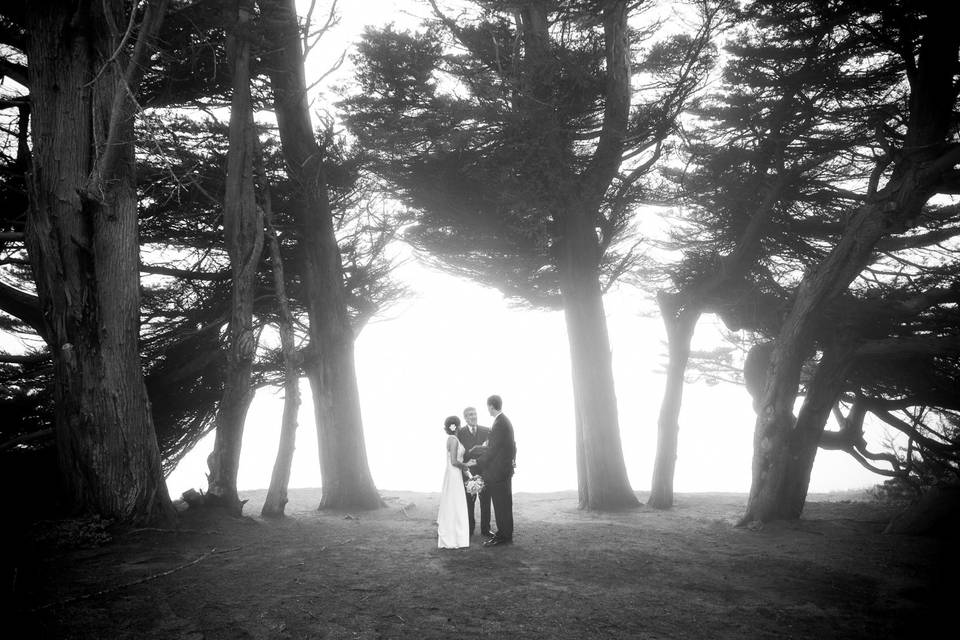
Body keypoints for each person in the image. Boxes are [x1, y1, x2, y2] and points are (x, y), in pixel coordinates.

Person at [474, 394, 516, 546]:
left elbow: (493, 450)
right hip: (504, 471)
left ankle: (503, 536)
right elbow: (509, 446)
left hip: (499, 473)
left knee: (501, 505)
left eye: (488, 407)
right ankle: (505, 533)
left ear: (491, 406)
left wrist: (476, 461)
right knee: (504, 504)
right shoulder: (503, 421)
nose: (488, 410)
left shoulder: (499, 423)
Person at [437, 415, 472, 549]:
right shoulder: (454, 440)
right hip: (454, 475)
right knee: (455, 504)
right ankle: (455, 538)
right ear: (458, 426)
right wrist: (466, 464)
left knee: (454, 503)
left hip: (453, 474)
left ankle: (457, 536)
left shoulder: (451, 439)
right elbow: (453, 461)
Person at [457, 406, 492, 539]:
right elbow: (459, 453)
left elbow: (490, 450)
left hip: (484, 471)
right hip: (468, 473)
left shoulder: (486, 430)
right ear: (465, 418)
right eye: (470, 415)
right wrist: (466, 463)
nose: (473, 416)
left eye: (475, 414)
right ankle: (469, 529)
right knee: (469, 502)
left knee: (485, 501)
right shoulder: (460, 433)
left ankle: (486, 529)